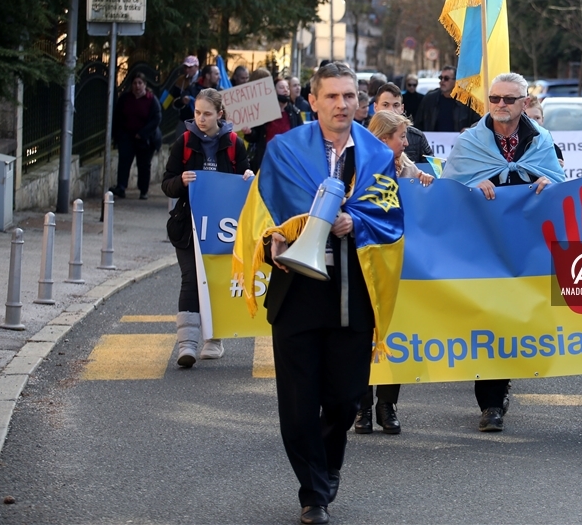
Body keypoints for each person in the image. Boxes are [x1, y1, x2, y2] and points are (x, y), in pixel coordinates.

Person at [236, 62, 403, 525]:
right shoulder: (284, 149)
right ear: (313, 101)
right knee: (297, 402)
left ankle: (327, 469)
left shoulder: (375, 154)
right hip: (297, 293)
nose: (342, 104)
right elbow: (263, 212)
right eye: (331, 96)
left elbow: (391, 220)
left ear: (359, 101)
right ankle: (313, 493)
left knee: (346, 399)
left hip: (352, 293)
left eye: (349, 96)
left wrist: (358, 223)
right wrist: (273, 241)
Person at [442, 73, 566, 432]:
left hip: (525, 247)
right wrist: (469, 185)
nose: (500, 105)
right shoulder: (470, 142)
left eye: (509, 100)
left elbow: (559, 182)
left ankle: (503, 382)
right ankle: (491, 404)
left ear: (524, 103)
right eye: (494, 98)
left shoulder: (542, 140)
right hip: (483, 246)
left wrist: (549, 184)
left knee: (513, 320)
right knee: (489, 319)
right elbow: (449, 187)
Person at [353, 111, 433, 436]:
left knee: (393, 330)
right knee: (362, 334)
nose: (405, 142)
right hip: (368, 262)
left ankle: (387, 404)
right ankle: (362, 406)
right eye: (401, 137)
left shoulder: (407, 168)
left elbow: (424, 200)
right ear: (384, 138)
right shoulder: (359, 167)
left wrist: (425, 183)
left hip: (399, 263)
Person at [161, 88, 252, 368]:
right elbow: (167, 183)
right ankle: (187, 344)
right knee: (191, 279)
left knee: (216, 280)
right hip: (189, 226)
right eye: (197, 113)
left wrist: (248, 176)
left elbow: (245, 180)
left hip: (223, 226)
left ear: (219, 115)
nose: (200, 118)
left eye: (207, 114)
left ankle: (215, 339)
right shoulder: (184, 142)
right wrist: (181, 181)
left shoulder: (235, 143)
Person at [111, 72, 162, 200]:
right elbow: (117, 117)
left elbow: (156, 118)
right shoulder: (125, 99)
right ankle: (121, 187)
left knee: (144, 165)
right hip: (127, 136)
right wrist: (118, 135)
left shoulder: (151, 100)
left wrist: (143, 133)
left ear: (145, 85)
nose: (137, 86)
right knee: (124, 161)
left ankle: (143, 190)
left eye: (140, 83)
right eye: (135, 83)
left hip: (145, 138)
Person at [246, 78, 304, 172]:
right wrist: (249, 133)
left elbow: (301, 138)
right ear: (273, 91)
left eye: (287, 88)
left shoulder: (295, 113)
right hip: (266, 160)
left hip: (287, 162)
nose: (285, 90)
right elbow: (255, 137)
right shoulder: (264, 112)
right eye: (281, 87)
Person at [372, 82, 433, 165]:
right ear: (376, 107)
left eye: (396, 105)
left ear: (402, 108)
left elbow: (432, 168)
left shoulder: (417, 137)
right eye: (385, 105)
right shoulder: (364, 136)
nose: (391, 110)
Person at [413, 66, 481, 133]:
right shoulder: (429, 99)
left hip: (459, 142)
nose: (442, 81)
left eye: (446, 78)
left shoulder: (467, 100)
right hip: (433, 143)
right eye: (441, 78)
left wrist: (470, 130)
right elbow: (418, 123)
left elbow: (479, 123)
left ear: (456, 81)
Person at [523, 94, 564, 168]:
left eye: (537, 118)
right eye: (528, 118)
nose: (533, 122)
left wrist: (557, 167)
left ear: (542, 120)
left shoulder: (553, 148)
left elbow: (558, 176)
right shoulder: (515, 147)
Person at [173, 56, 200, 121]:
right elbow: (175, 97)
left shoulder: (203, 78)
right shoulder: (180, 80)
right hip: (185, 118)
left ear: (196, 67)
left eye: (190, 67)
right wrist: (182, 101)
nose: (187, 70)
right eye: (185, 67)